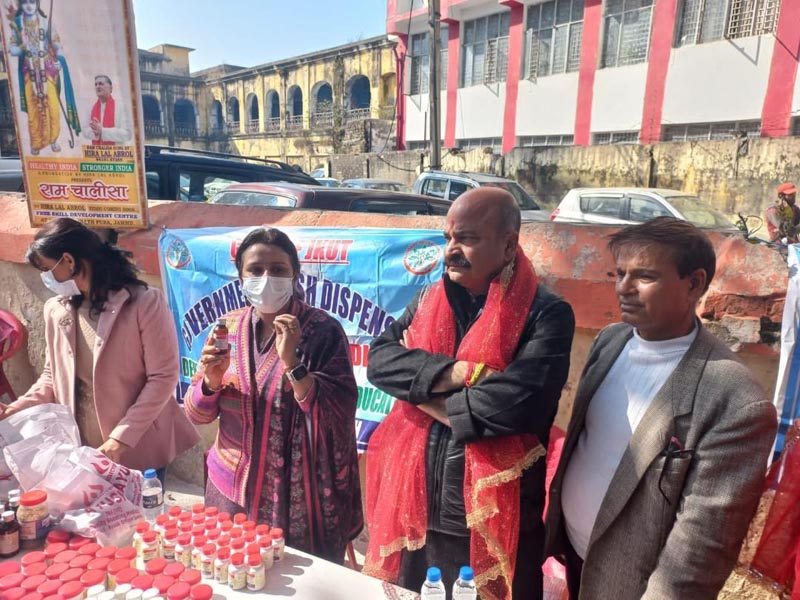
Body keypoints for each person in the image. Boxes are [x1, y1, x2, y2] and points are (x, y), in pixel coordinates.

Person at [545, 217, 777, 599]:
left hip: (631, 586)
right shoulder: (611, 341)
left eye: (645, 276)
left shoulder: (735, 401)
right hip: (572, 553)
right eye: (619, 273)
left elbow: (699, 552)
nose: (624, 288)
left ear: (694, 284)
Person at [364, 188, 575, 600]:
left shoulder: (546, 314)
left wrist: (416, 391)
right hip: (418, 510)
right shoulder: (429, 299)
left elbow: (512, 408)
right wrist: (459, 372)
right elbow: (380, 363)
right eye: (448, 238)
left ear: (509, 245)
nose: (451, 250)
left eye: (467, 239)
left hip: (496, 519)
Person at [184, 227, 363, 564]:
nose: (266, 278)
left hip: (299, 498)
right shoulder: (226, 328)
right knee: (235, 573)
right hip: (231, 490)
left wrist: (292, 362)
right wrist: (210, 381)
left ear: (295, 274)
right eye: (255, 270)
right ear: (241, 277)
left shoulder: (322, 331)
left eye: (278, 269)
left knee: (296, 580)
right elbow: (197, 414)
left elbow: (337, 412)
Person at [0, 218, 199, 482]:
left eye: (47, 269)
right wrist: (16, 408)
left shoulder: (143, 303)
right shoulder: (57, 309)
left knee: (142, 508)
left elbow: (163, 377)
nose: (45, 278)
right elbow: (52, 376)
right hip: (81, 450)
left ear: (69, 261)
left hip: (136, 446)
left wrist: (121, 438)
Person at [7, 0, 81, 155]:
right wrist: (23, 47)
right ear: (21, 5)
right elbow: (12, 50)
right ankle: (36, 143)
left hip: (47, 70)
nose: (29, 6)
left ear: (37, 4)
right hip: (29, 73)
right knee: (33, 111)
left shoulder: (46, 23)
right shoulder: (17, 24)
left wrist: (59, 62)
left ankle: (53, 140)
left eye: (32, 2)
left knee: (53, 108)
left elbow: (58, 46)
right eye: (25, 2)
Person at [82, 75, 131, 145]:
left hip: (116, 151)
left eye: (101, 84)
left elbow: (127, 134)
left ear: (110, 88)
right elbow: (85, 131)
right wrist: (96, 132)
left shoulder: (120, 107)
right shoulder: (91, 108)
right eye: (96, 84)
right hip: (96, 151)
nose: (97, 86)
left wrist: (103, 131)